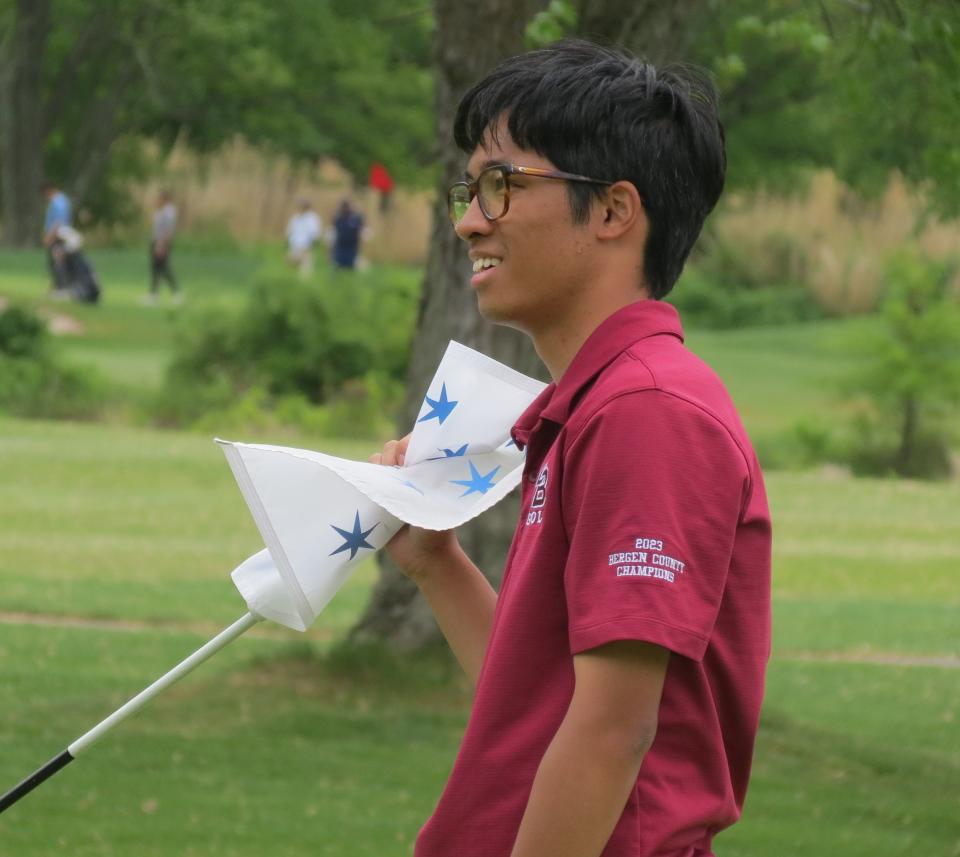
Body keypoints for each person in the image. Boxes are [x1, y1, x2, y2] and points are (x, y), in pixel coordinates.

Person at [371, 40, 771, 857]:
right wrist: (436, 564)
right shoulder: (589, 408)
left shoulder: (648, 411)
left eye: (501, 186)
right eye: (468, 189)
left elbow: (612, 730)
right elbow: (542, 702)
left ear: (616, 211)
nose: (468, 219)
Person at [145, 190, 180, 305]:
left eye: (159, 198)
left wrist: (161, 245)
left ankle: (176, 293)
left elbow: (168, 231)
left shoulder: (168, 212)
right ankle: (154, 294)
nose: (157, 201)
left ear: (164, 199)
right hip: (156, 242)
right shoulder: (161, 211)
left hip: (161, 243)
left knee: (164, 269)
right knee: (156, 269)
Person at [41, 182, 72, 292]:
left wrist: (49, 237)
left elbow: (58, 222)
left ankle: (61, 288)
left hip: (58, 236)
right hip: (58, 235)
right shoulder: (62, 200)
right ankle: (58, 287)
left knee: (58, 261)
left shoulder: (57, 202)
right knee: (56, 262)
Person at [286, 198, 322, 277]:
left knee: (304, 273)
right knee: (291, 270)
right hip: (294, 247)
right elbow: (290, 233)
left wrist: (307, 249)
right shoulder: (295, 218)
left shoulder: (313, 219)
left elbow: (314, 235)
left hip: (306, 249)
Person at [330, 199, 364, 270]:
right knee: (339, 266)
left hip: (352, 246)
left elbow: (361, 232)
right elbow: (333, 232)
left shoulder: (356, 218)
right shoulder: (337, 218)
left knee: (350, 266)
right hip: (340, 246)